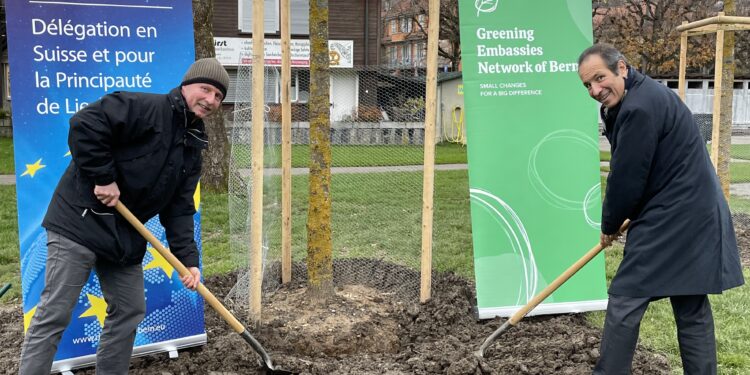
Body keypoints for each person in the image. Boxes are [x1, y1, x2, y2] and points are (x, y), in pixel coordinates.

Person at [19, 57, 230, 375]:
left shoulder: (193, 147)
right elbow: (84, 125)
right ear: (186, 86)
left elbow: (179, 209)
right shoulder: (143, 107)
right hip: (80, 220)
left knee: (130, 308)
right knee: (56, 311)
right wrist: (103, 178)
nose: (211, 100)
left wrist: (188, 260)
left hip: (123, 235)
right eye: (206, 89)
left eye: (218, 96)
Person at [578, 43, 745, 374]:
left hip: (676, 214)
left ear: (621, 68)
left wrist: (609, 225)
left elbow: (626, 178)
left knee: (627, 297)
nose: (595, 90)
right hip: (695, 210)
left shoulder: (640, 108)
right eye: (587, 85)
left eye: (600, 78)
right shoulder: (641, 97)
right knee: (690, 302)